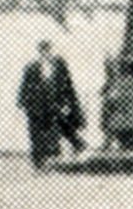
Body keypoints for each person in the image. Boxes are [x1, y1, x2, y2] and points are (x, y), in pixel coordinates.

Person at [15, 37, 83, 171]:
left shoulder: (59, 66)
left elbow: (68, 85)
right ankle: (38, 162)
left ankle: (53, 160)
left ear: (51, 51)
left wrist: (70, 102)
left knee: (54, 131)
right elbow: (24, 86)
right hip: (36, 106)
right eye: (43, 51)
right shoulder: (31, 67)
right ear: (39, 52)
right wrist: (22, 103)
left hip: (54, 104)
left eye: (48, 50)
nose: (46, 53)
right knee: (35, 133)